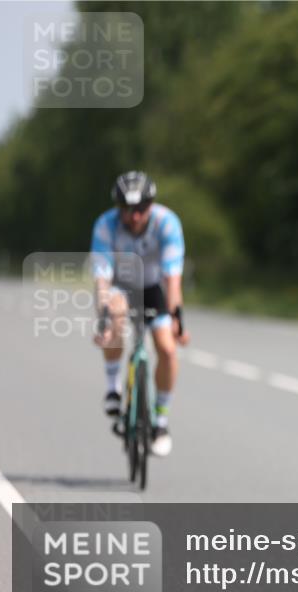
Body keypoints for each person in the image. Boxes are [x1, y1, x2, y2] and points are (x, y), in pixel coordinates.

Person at [90, 171, 189, 456]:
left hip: (154, 287)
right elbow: (101, 279)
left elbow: (172, 279)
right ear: (117, 208)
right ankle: (113, 388)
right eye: (127, 210)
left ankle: (160, 421)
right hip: (120, 287)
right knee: (114, 316)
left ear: (152, 205)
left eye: (141, 209)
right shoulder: (105, 226)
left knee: (167, 350)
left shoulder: (166, 223)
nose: (134, 216)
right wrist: (104, 321)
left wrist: (176, 320)